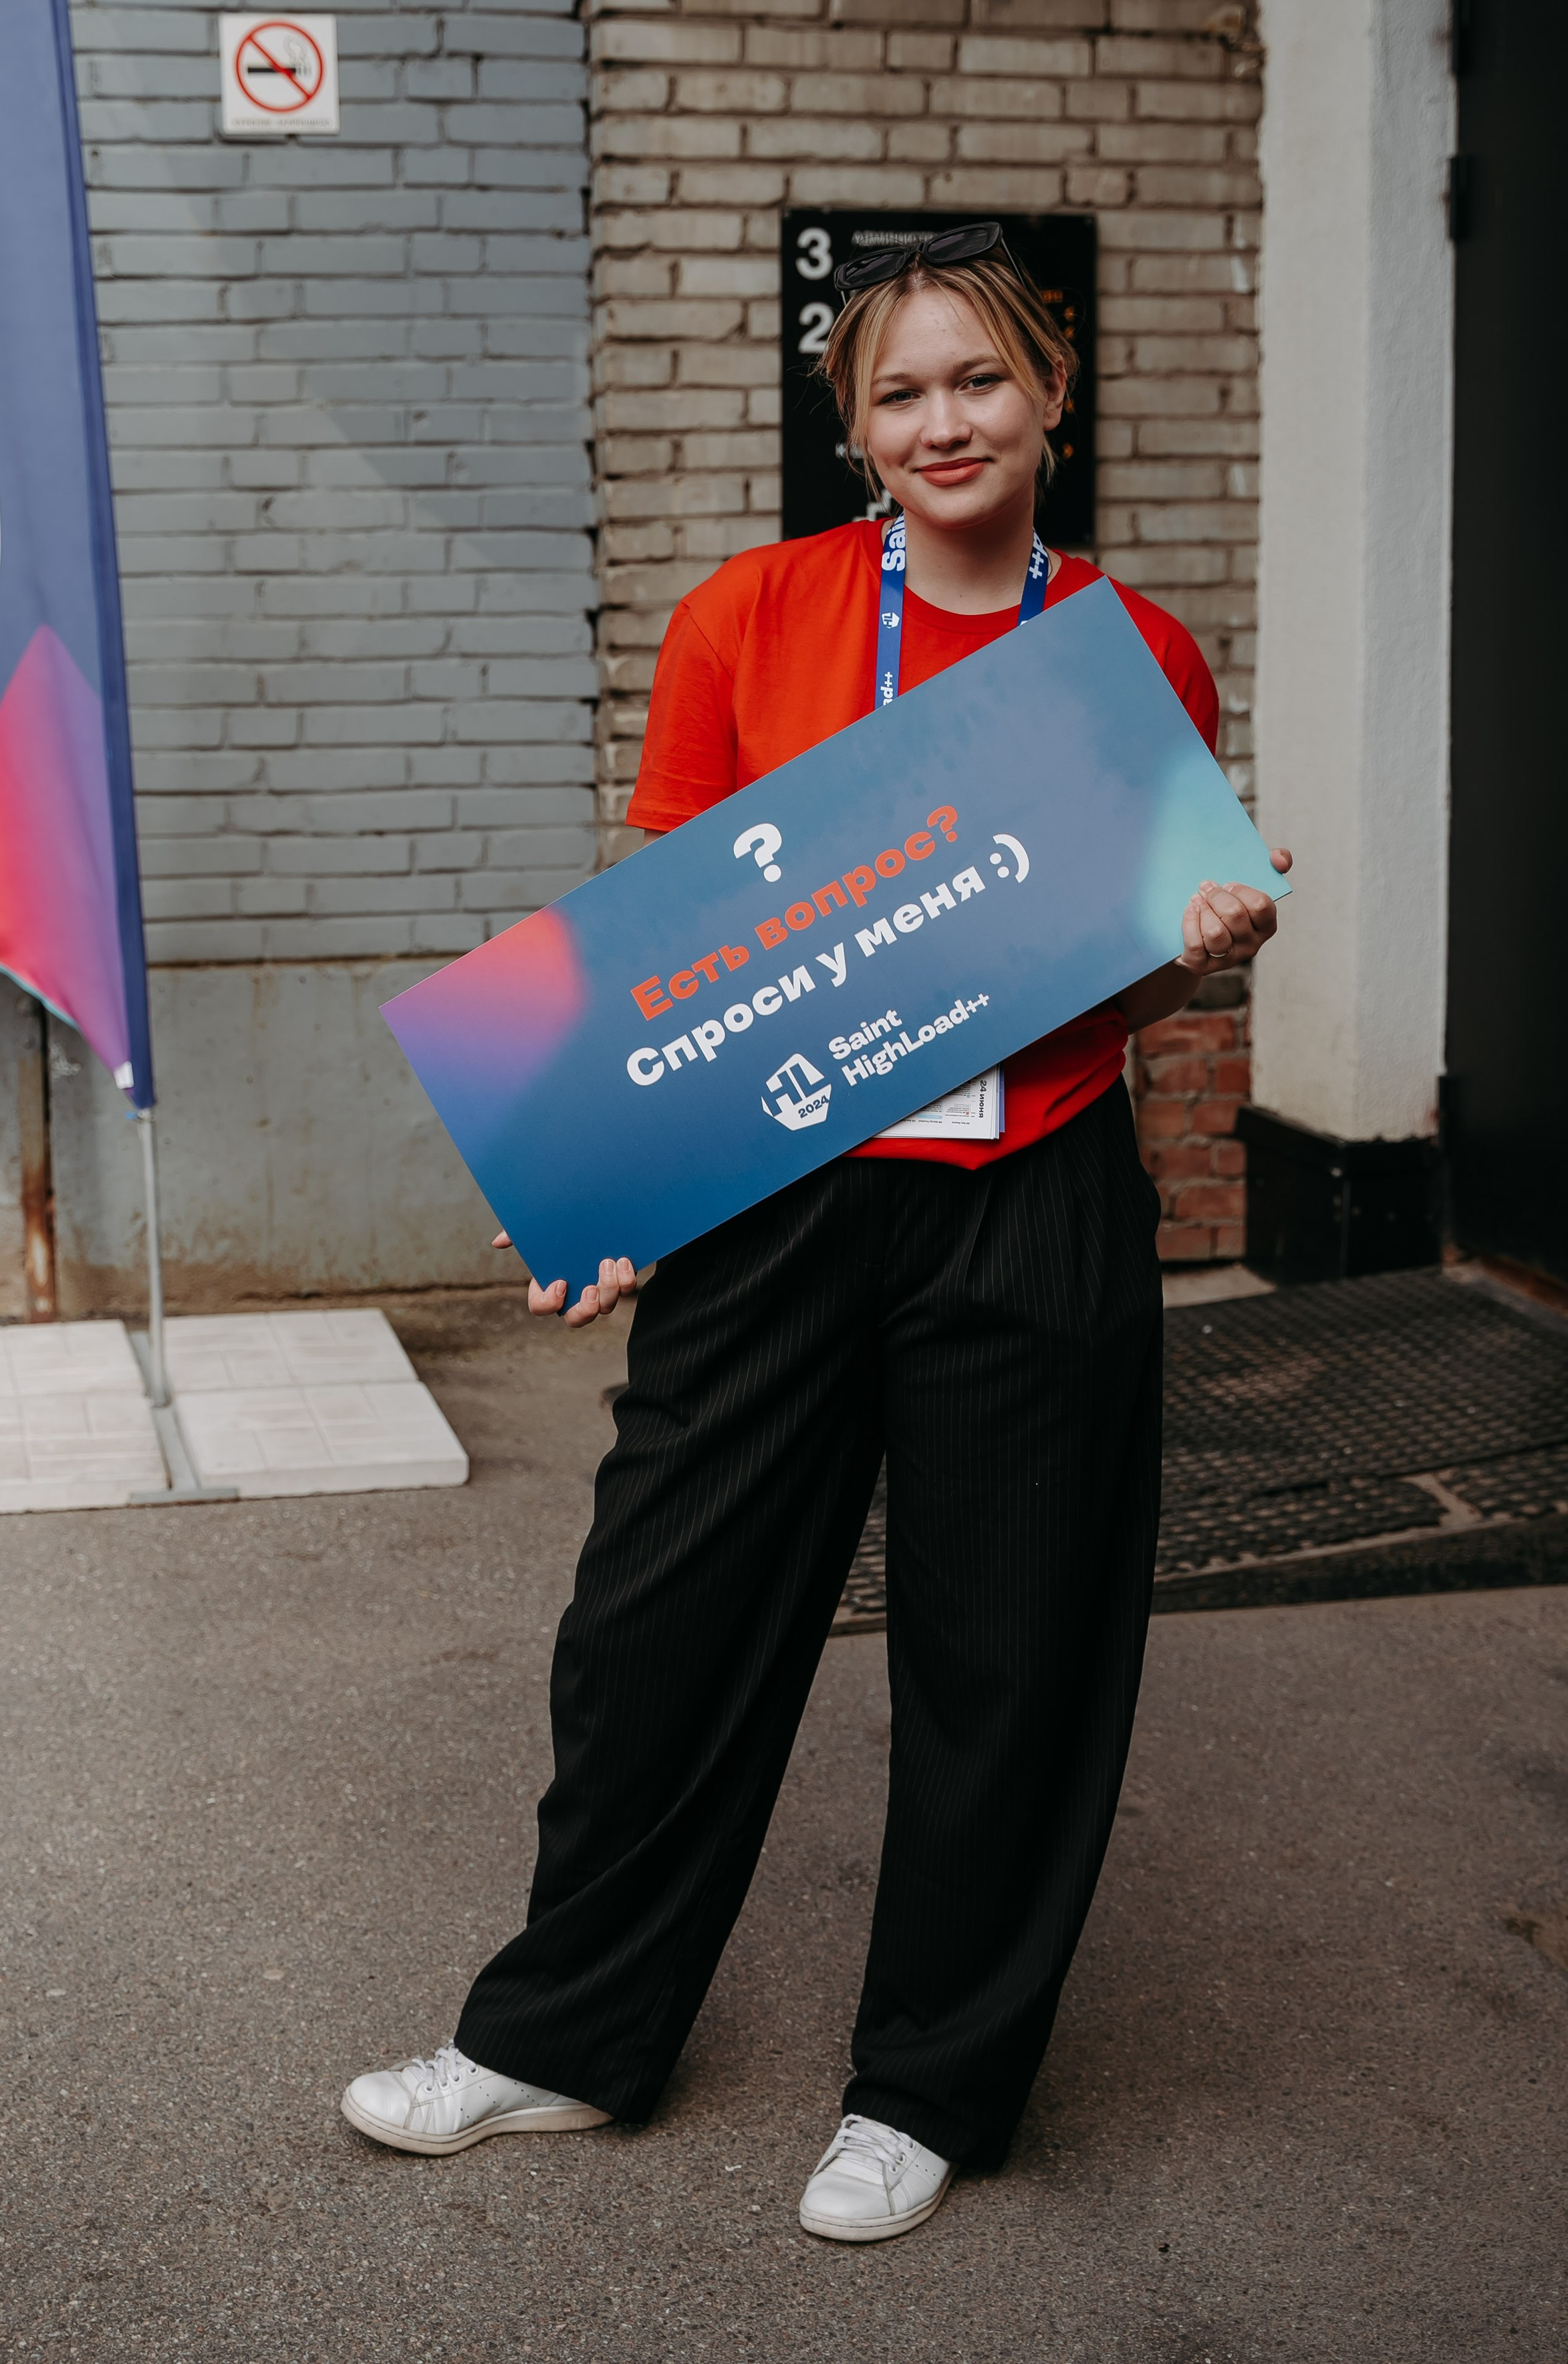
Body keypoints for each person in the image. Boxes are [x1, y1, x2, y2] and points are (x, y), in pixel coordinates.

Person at [340, 222, 1290, 2243]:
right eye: (897, 393)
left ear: (1050, 395)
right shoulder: (746, 621)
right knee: (652, 1631)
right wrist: (600, 1185)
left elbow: (1105, 986)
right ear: (849, 427)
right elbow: (670, 955)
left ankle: (928, 2088)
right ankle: (562, 2042)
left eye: (978, 381)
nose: (942, 423)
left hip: (1028, 1197)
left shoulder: (1126, 652)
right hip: (774, 1202)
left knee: (1002, 1659)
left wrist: (1196, 967)